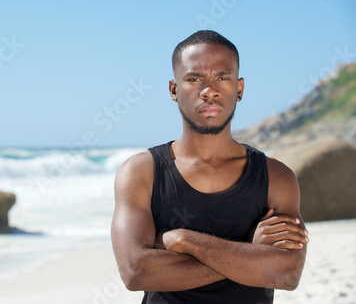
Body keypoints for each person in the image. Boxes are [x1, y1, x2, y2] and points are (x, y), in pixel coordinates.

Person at [111, 30, 308, 303]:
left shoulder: (276, 177)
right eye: (194, 79)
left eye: (223, 78)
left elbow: (287, 273)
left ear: (239, 89)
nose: (209, 91)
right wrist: (251, 254)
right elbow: (136, 272)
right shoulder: (142, 172)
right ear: (174, 90)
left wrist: (185, 241)